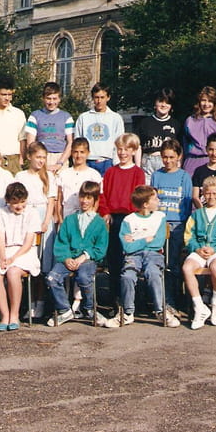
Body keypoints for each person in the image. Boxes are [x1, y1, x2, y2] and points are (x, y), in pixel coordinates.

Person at [105, 185, 181, 328]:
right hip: (133, 256)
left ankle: (160, 310)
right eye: (155, 198)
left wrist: (135, 239)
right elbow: (127, 247)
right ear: (146, 204)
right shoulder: (128, 220)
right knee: (127, 276)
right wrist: (145, 239)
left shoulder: (160, 217)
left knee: (153, 273)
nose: (158, 201)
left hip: (154, 255)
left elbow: (158, 242)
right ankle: (127, 312)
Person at [45, 181, 108, 327]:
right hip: (68, 258)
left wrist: (84, 256)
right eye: (82, 197)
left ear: (95, 200)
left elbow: (100, 248)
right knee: (51, 278)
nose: (84, 201)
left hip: (87, 259)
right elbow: (62, 242)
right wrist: (66, 258)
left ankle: (89, 308)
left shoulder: (99, 222)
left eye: (89, 198)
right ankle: (65, 310)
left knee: (84, 277)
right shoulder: (70, 220)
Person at [181, 176, 216, 329]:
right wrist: (197, 248)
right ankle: (199, 307)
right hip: (199, 249)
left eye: (215, 193)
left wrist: (215, 249)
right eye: (208, 193)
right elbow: (188, 236)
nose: (211, 197)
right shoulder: (196, 214)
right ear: (203, 194)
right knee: (187, 268)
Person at [98, 133, 146, 311]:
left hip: (131, 220)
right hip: (114, 219)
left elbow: (140, 197)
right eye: (120, 149)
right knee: (114, 260)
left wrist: (134, 216)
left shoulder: (138, 173)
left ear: (134, 151)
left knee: (131, 260)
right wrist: (105, 212)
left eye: (126, 149)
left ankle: (133, 299)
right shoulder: (111, 172)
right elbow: (103, 195)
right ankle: (115, 300)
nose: (123, 153)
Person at [0, 182, 41, 331]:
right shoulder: (1, 213)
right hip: (5, 250)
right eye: (15, 202)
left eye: (22, 202)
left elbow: (28, 243)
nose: (19, 206)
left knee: (13, 272)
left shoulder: (32, 213)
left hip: (24, 252)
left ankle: (14, 314)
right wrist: (3, 257)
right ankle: (4, 315)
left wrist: (13, 258)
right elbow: (0, 238)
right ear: (8, 201)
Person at [150, 139, 193, 314]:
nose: (168, 161)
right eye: (165, 157)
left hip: (177, 225)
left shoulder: (184, 176)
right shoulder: (156, 175)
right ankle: (163, 300)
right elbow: (153, 201)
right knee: (161, 263)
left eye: (171, 157)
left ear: (179, 156)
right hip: (160, 223)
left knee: (174, 264)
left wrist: (184, 225)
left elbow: (187, 203)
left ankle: (176, 300)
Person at [15, 141, 57, 319]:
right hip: (26, 218)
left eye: (44, 158)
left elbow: (51, 201)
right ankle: (30, 303)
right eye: (38, 157)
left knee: (43, 263)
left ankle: (41, 303)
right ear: (29, 157)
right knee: (30, 261)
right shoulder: (21, 176)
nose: (41, 161)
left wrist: (46, 222)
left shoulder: (49, 176)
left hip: (43, 219)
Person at [74, 82, 125, 176]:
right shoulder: (83, 117)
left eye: (102, 97)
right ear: (93, 98)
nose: (99, 101)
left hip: (107, 162)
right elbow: (77, 141)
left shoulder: (115, 118)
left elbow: (119, 142)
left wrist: (117, 163)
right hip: (88, 161)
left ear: (108, 97)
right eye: (96, 97)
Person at [24, 82, 74, 174]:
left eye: (54, 98)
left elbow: (70, 142)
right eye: (48, 98)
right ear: (43, 98)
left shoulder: (66, 117)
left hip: (61, 157)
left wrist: (60, 163)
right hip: (40, 157)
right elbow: (30, 144)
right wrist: (41, 161)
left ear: (59, 99)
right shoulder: (35, 116)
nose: (51, 102)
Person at [55, 138, 103, 225]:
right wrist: (61, 221)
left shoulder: (94, 175)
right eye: (76, 152)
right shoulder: (64, 174)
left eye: (82, 152)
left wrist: (90, 219)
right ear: (71, 153)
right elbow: (59, 200)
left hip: (87, 220)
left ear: (88, 153)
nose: (78, 155)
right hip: (67, 218)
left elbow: (97, 200)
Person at [137, 88, 181, 182]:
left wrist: (178, 163)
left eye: (167, 102)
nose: (163, 105)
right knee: (147, 190)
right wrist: (137, 167)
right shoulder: (145, 123)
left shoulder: (176, 124)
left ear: (171, 106)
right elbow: (138, 146)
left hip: (167, 162)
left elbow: (180, 148)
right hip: (148, 162)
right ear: (155, 103)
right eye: (160, 101)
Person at [182, 86, 216, 176]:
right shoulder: (190, 120)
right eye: (203, 100)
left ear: (215, 103)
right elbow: (185, 142)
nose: (206, 104)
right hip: (192, 161)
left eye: (210, 101)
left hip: (211, 160)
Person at [192, 133, 216, 209]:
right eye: (211, 149)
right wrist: (203, 212)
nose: (214, 153)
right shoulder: (199, 171)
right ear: (206, 149)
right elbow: (195, 196)